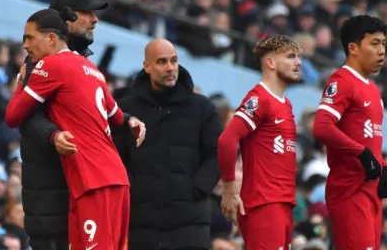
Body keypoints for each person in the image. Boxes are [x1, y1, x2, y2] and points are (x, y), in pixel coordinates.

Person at [18, 0, 144, 249]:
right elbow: (25, 117)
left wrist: (127, 118)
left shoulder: (83, 64)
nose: (95, 20)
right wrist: (52, 135)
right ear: (66, 19)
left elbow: (96, 112)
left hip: (80, 188)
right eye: (87, 13)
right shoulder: (40, 62)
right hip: (52, 195)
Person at [113, 38, 222, 249]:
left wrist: (197, 189)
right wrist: (133, 191)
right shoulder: (125, 109)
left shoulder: (202, 107)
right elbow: (114, 156)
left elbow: (217, 153)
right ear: (147, 66)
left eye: (174, 61)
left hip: (190, 223)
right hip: (141, 222)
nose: (171, 68)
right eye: (162, 62)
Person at [217, 34, 301, 249]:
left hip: (283, 203)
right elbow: (227, 140)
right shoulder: (259, 98)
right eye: (291, 56)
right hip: (264, 203)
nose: (298, 62)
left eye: (298, 57)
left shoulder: (286, 104)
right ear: (270, 62)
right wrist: (229, 190)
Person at [312, 15, 386, 249]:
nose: (382, 51)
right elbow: (322, 126)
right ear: (353, 48)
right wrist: (362, 153)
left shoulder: (374, 90)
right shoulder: (342, 81)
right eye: (374, 43)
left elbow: (370, 138)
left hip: (371, 192)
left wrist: (382, 167)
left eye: (384, 44)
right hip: (349, 191)